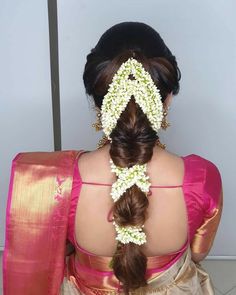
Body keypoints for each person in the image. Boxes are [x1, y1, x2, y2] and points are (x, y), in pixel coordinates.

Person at [2, 22, 223, 295]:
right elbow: (198, 254)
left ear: (97, 102)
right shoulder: (201, 179)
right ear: (167, 100)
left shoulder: (55, 183)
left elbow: (52, 250)